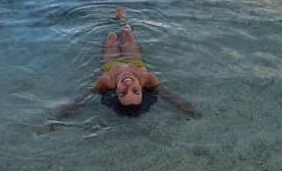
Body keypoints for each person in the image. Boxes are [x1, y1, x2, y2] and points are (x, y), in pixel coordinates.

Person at [51, 7, 199, 122]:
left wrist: (58, 118)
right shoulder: (147, 78)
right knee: (127, 33)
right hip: (134, 60)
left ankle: (109, 22)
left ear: (115, 93)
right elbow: (169, 97)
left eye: (123, 92)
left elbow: (81, 101)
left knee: (112, 36)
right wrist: (188, 109)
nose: (128, 85)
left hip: (111, 63)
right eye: (135, 91)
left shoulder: (106, 81)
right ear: (141, 89)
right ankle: (122, 19)